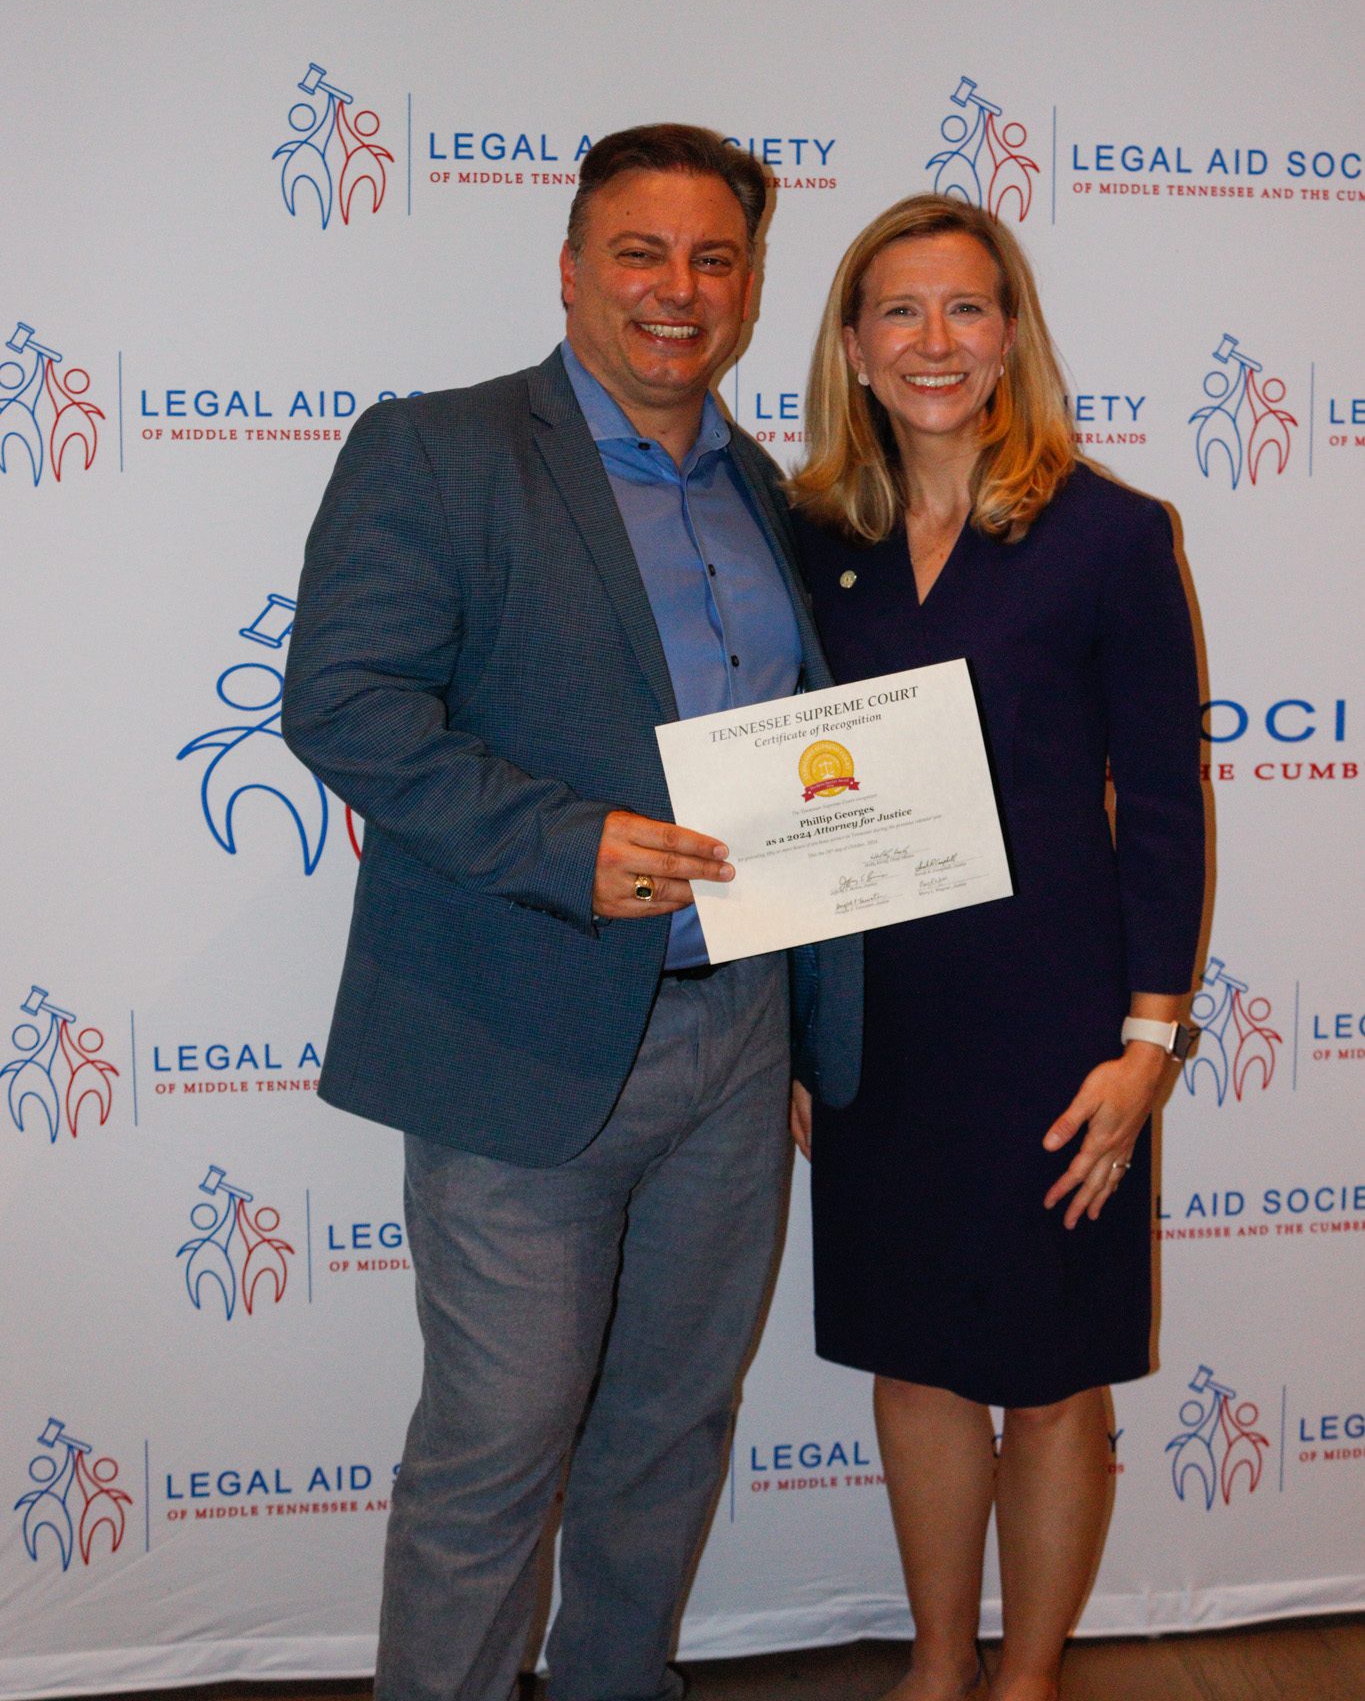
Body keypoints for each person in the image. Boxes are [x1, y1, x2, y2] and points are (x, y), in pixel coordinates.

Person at [281, 124, 861, 1701]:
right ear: (568, 269)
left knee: (669, 1430)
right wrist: (562, 843)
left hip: (734, 1042)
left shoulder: (770, 491)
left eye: (714, 259)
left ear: (748, 288)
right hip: (517, 1032)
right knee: (494, 1450)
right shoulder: (440, 450)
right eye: (639, 252)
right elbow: (343, 700)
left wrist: (813, 1029)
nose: (678, 289)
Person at [788, 195, 1204, 1701]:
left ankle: (1023, 1682)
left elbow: (1163, 805)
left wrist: (1146, 1045)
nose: (934, 342)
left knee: (1049, 1377)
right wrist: (797, 1032)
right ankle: (935, 1666)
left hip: (1052, 1025)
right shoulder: (804, 538)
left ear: (1011, 333)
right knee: (913, 1362)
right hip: (877, 1024)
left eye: (965, 308)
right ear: (851, 345)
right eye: (898, 311)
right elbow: (783, 800)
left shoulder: (1108, 533)